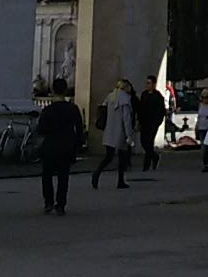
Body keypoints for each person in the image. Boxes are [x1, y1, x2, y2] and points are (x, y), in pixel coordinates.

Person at [37, 78, 85, 215]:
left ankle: (48, 201)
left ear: (53, 91)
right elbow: (79, 129)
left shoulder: (47, 110)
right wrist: (77, 145)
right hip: (66, 145)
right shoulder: (72, 109)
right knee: (63, 176)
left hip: (50, 145)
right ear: (65, 91)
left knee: (47, 175)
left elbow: (41, 130)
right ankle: (61, 204)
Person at [92, 79, 136, 189]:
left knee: (108, 156)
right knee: (122, 157)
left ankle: (97, 172)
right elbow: (126, 119)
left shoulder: (110, 96)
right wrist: (129, 135)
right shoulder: (125, 99)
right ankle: (120, 180)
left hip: (109, 130)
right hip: (120, 131)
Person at [136, 77, 165, 173]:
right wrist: (139, 121)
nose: (147, 85)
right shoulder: (144, 94)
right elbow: (140, 109)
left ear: (154, 84)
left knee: (149, 142)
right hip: (144, 122)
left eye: (149, 83)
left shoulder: (158, 96)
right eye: (146, 83)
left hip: (152, 123)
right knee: (143, 142)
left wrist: (157, 122)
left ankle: (146, 165)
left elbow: (161, 111)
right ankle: (154, 156)